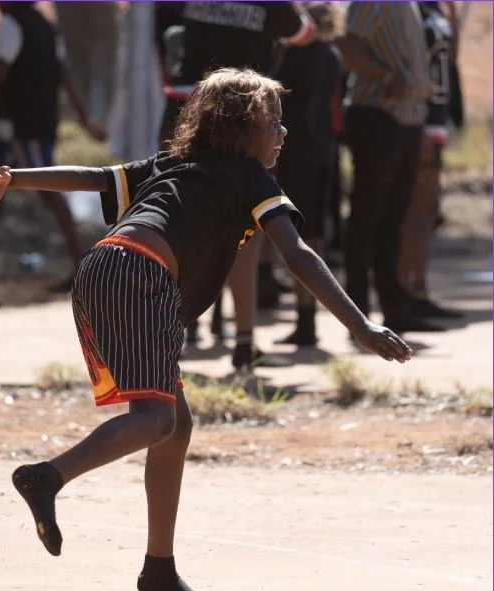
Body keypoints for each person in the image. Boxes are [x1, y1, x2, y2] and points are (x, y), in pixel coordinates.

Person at [0, 68, 413, 591]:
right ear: (240, 131)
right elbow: (298, 255)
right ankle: (47, 477)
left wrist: (15, 177)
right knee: (156, 420)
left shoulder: (171, 165)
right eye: (273, 123)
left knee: (175, 424)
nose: (282, 134)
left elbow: (91, 177)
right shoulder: (252, 178)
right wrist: (359, 326)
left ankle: (159, 569)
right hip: (141, 273)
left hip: (104, 266)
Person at [155, 1, 316, 367]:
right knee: (246, 223)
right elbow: (304, 33)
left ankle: (171, 334)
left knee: (178, 222)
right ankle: (244, 342)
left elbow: (163, 32)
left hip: (184, 105)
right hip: (240, 117)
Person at [0, 1, 105, 293]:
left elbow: (0, 72)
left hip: (23, 126)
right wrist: (86, 120)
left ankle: (80, 266)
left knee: (51, 192)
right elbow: (65, 77)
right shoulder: (46, 26)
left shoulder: (12, 24)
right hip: (35, 123)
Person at [337, 1, 440, 334]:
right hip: (378, 116)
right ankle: (358, 316)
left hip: (408, 119)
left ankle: (395, 311)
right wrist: (386, 76)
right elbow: (348, 47)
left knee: (394, 219)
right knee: (367, 217)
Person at [274, 1, 342, 346]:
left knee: (294, 237)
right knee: (314, 234)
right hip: (323, 150)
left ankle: (304, 321)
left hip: (295, 152)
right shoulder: (331, 57)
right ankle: (308, 317)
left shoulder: (293, 58)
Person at [397, 1, 461, 321]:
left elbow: (449, 59)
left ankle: (418, 289)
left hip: (438, 115)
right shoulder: (411, 9)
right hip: (419, 116)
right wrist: (419, 123)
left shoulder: (436, 8)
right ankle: (404, 290)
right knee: (413, 209)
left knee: (428, 209)